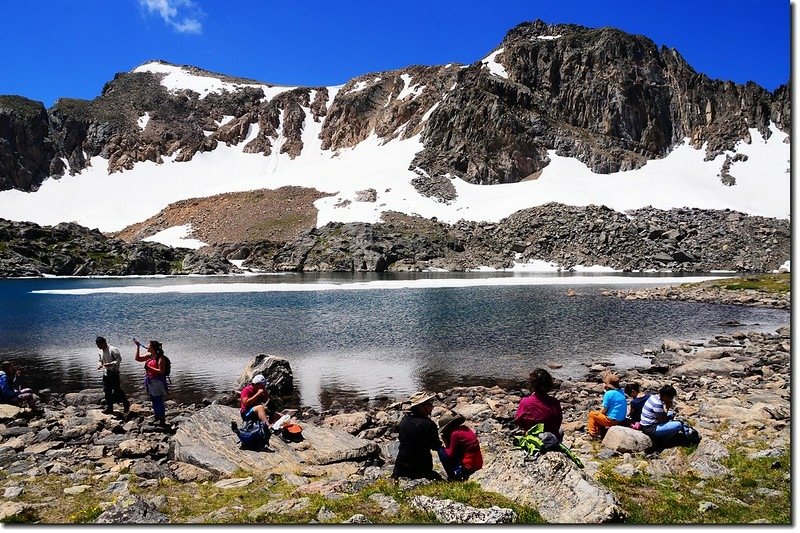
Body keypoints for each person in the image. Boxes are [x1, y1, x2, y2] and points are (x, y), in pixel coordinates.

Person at [391, 391, 442, 480]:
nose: (432, 406)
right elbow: (435, 446)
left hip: (400, 468)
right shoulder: (429, 424)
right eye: (429, 404)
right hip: (421, 469)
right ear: (421, 406)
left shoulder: (404, 420)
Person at [515, 368, 563, 439]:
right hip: (552, 436)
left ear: (532, 385)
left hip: (533, 437)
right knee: (561, 431)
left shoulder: (525, 402)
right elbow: (558, 421)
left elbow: (518, 421)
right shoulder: (555, 402)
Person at [437, 412, 483, 481]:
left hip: (469, 466)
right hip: (478, 463)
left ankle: (453, 477)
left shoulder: (455, 434)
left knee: (441, 451)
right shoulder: (464, 428)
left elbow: (450, 454)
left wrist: (445, 446)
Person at [134, 340, 168, 425]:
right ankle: (157, 416)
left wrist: (148, 367)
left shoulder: (160, 358)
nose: (147, 347)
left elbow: (161, 371)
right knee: (153, 399)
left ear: (152, 348)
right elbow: (137, 358)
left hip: (157, 381)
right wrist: (138, 347)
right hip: (150, 381)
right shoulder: (150, 356)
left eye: (149, 345)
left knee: (158, 399)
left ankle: (162, 419)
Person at [587, 372, 627, 439]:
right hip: (622, 419)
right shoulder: (621, 391)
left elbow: (604, 410)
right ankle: (601, 431)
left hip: (612, 420)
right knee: (600, 415)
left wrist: (599, 413)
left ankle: (592, 434)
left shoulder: (608, 394)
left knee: (592, 414)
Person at [96, 336, 130, 415]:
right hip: (105, 372)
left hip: (113, 372)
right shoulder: (100, 351)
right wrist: (99, 365)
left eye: (98, 345)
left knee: (117, 389)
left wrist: (111, 364)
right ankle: (109, 407)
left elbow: (119, 359)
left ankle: (126, 404)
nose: (98, 346)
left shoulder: (113, 349)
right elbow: (99, 360)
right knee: (107, 390)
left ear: (103, 343)